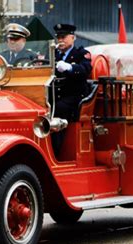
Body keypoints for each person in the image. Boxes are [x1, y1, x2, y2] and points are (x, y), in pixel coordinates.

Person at [51, 23, 92, 157]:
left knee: (58, 110)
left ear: (73, 38)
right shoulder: (53, 54)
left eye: (64, 37)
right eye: (58, 37)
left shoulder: (81, 54)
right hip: (54, 96)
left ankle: (55, 153)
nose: (60, 40)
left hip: (74, 97)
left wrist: (70, 68)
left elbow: (85, 70)